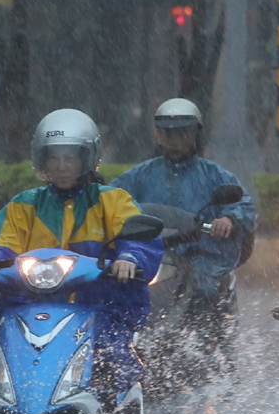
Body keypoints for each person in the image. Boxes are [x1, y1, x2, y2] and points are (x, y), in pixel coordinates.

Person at [0, 109, 163, 404]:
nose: (61, 166)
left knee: (114, 359)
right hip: (33, 309)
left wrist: (130, 259)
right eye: (53, 158)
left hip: (98, 308)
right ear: (41, 160)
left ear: (87, 158)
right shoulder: (24, 205)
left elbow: (141, 239)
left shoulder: (113, 200)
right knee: (6, 342)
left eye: (69, 157)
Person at [109, 98, 256, 329]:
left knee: (205, 290)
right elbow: (110, 199)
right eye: (169, 133)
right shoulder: (139, 175)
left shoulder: (214, 174)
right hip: (150, 253)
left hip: (199, 255)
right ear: (158, 134)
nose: (175, 139)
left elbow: (244, 203)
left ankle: (206, 347)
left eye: (183, 133)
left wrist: (229, 219)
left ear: (195, 133)